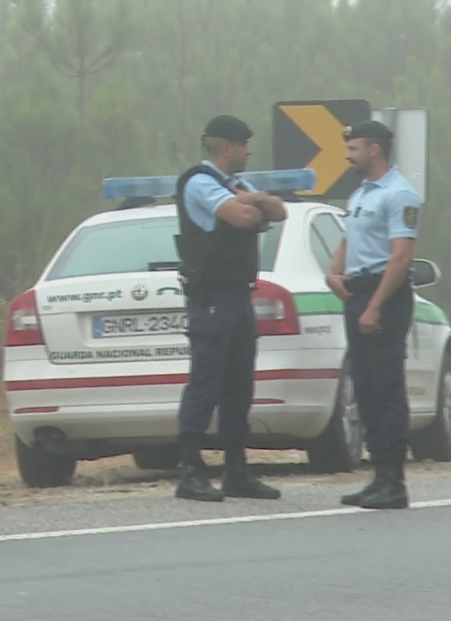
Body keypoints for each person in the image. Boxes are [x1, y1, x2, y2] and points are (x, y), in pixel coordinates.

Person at [172, 114, 288, 503]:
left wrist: (251, 198)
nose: (249, 151)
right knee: (206, 381)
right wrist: (252, 203)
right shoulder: (200, 183)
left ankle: (236, 470)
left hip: (238, 294)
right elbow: (242, 217)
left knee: (239, 384)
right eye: (244, 145)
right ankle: (191, 471)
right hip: (211, 296)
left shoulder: (238, 185)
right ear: (227, 148)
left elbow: (278, 211)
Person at [327, 120, 420, 510]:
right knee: (364, 388)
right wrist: (333, 272)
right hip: (358, 293)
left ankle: (394, 482)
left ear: (375, 150)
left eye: (354, 148)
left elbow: (401, 256)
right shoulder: (361, 194)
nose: (348, 155)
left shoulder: (399, 194)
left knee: (386, 389)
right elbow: (348, 239)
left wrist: (376, 305)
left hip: (385, 296)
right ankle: (378, 474)